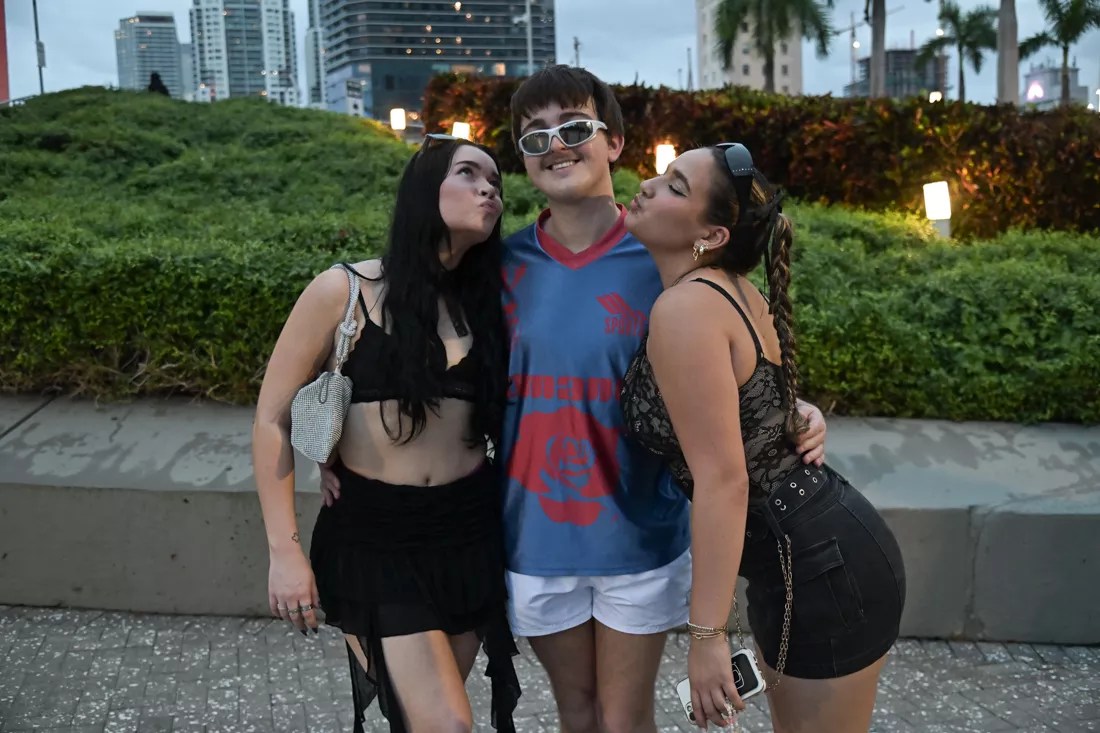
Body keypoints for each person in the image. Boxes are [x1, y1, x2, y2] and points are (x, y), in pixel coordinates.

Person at [321, 67, 827, 731]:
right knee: (578, 715)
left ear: (613, 141)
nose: (556, 145)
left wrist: (797, 410)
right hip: (535, 538)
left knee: (623, 721)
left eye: (574, 127)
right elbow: (422, 360)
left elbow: (741, 352)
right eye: (534, 136)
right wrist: (338, 448)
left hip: (640, 537)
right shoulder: (497, 266)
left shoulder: (667, 258)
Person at [620, 142, 907, 732]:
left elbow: (724, 481)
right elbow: (760, 408)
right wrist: (802, 411)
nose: (648, 185)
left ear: (712, 235)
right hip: (819, 549)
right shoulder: (728, 288)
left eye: (675, 186)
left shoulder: (687, 308)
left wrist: (707, 637)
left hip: (819, 567)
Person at [253, 135, 519, 733]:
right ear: (424, 188)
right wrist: (284, 551)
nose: (489, 190)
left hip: (468, 532)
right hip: (375, 537)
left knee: (422, 722)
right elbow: (271, 419)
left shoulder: (488, 303)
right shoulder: (343, 291)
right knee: (447, 724)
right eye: (469, 173)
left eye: (496, 183)